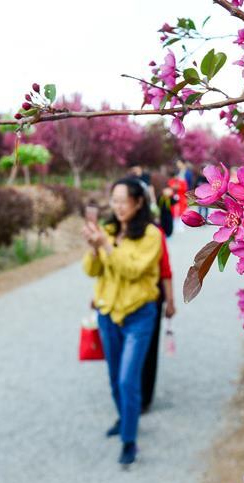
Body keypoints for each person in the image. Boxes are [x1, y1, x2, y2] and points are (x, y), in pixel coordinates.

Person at [82, 178, 162, 467]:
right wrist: (94, 248)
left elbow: (133, 270)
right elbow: (91, 270)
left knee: (129, 379)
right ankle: (124, 418)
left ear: (138, 202)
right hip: (108, 314)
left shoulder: (151, 235)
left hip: (139, 314)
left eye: (123, 201)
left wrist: (106, 245)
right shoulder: (109, 230)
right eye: (113, 200)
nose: (117, 206)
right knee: (115, 377)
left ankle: (129, 440)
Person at [141, 228, 176, 413]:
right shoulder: (116, 230)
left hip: (151, 300)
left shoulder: (155, 233)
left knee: (149, 350)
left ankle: (144, 397)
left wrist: (170, 301)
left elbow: (165, 270)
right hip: (122, 300)